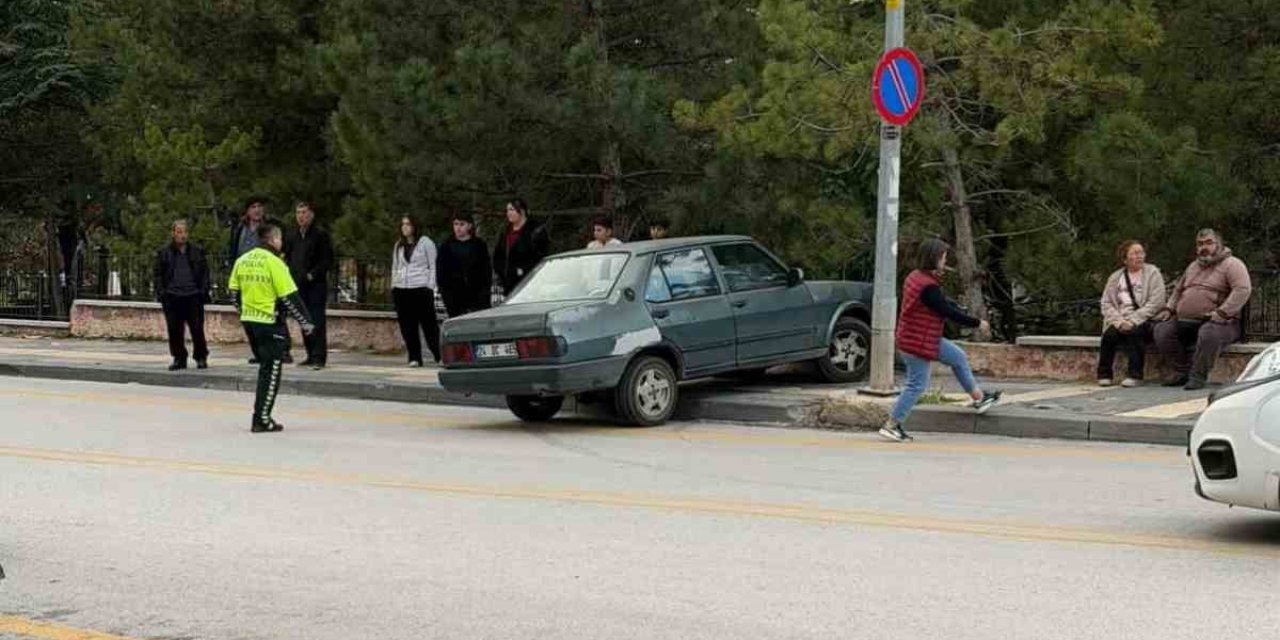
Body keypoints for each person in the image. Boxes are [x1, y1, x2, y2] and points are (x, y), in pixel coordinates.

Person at [881, 238, 1002, 443]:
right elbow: (945, 311)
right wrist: (977, 323)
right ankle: (892, 425)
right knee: (916, 385)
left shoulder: (915, 276)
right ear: (934, 258)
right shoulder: (928, 286)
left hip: (918, 337)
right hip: (918, 341)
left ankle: (979, 398)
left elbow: (938, 304)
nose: (945, 261)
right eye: (943, 257)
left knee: (957, 357)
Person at [228, 224, 315, 433]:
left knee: (265, 368)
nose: (281, 242)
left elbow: (233, 293)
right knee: (271, 372)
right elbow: (289, 297)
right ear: (273, 240)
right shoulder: (275, 263)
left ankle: (261, 416)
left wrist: (244, 312)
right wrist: (305, 322)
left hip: (250, 322)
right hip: (269, 322)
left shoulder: (243, 260)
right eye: (280, 239)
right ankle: (262, 418)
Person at [1152, 228, 1252, 390]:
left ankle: (1198, 376)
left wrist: (1222, 312)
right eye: (1200, 244)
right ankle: (1182, 371)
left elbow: (1242, 290)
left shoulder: (1232, 264)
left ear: (1219, 244)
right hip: (1186, 320)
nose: (1204, 247)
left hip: (1221, 322)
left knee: (1208, 334)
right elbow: (1178, 290)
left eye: (1209, 243)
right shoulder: (1193, 266)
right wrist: (1169, 309)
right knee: (1162, 330)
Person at [1097, 240, 1166, 387]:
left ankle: (1135, 375)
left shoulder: (1153, 273)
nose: (1139, 256)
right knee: (1109, 336)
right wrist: (1119, 322)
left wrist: (1133, 320)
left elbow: (1157, 301)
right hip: (1121, 319)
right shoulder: (1115, 278)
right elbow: (1106, 303)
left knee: (1136, 333)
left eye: (1141, 253)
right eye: (1135, 253)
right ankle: (1104, 374)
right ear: (1125, 259)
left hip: (1144, 319)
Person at [153, 219, 211, 371]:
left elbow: (205, 273)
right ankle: (179, 358)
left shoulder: (197, 251)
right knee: (174, 330)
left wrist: (203, 291)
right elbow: (158, 275)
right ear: (173, 233)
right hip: (172, 296)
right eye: (179, 232)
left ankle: (201, 356)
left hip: (193, 295)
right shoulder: (164, 253)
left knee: (197, 329)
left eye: (185, 232)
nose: (182, 235)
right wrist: (162, 293)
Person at [284, 201, 334, 370]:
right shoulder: (293, 235)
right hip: (297, 285)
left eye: (304, 212)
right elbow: (288, 256)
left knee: (316, 320)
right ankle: (310, 355)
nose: (301, 216)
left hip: (315, 285)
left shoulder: (320, 235)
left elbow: (327, 260)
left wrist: (312, 274)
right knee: (304, 319)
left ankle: (319, 357)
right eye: (298, 213)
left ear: (311, 214)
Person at [391, 216, 441, 366]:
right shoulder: (399, 244)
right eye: (403, 224)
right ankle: (414, 357)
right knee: (407, 326)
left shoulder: (426, 243)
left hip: (421, 288)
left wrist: (430, 286)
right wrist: (394, 285)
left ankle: (438, 355)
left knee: (429, 324)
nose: (404, 227)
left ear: (415, 226)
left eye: (408, 224)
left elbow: (433, 265)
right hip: (402, 289)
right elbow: (395, 266)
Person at [436, 211, 492, 318]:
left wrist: (484, 293)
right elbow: (441, 273)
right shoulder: (446, 246)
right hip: (454, 297)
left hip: (477, 296)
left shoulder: (479, 245)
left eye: (462, 224)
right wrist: (447, 296)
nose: (458, 228)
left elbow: (486, 271)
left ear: (469, 226)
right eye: (456, 224)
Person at [492, 198, 549, 295]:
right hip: (508, 285)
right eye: (507, 210)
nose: (508, 213)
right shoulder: (505, 231)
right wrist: (501, 272)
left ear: (522, 211)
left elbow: (541, 258)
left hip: (530, 283)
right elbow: (498, 255)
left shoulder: (536, 231)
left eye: (511, 210)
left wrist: (522, 270)